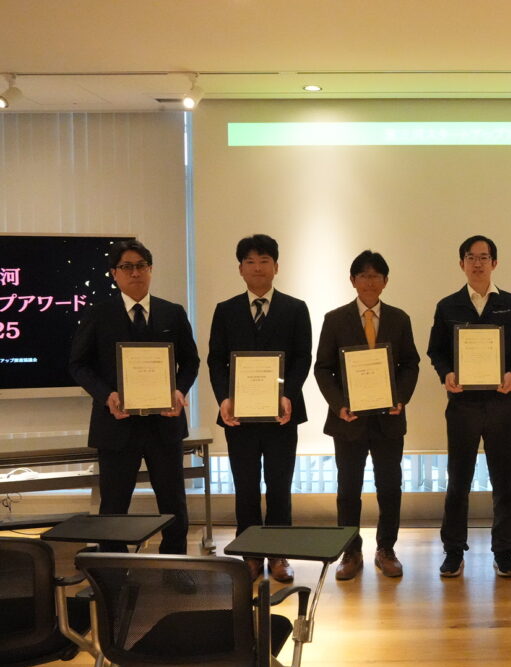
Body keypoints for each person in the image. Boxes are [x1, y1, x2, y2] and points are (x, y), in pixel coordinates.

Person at [68, 240, 199, 569]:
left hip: (164, 423)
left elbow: (191, 361)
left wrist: (179, 391)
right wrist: (107, 395)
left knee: (173, 502)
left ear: (151, 270)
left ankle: (175, 567)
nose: (135, 273)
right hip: (116, 424)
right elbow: (79, 364)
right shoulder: (98, 314)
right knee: (114, 505)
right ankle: (115, 569)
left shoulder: (172, 312)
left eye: (141, 265)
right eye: (126, 267)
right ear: (114, 274)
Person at [427, 235, 511, 578]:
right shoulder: (448, 306)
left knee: (503, 480)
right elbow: (436, 350)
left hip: (501, 404)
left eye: (484, 257)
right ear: (461, 263)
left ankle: (503, 550)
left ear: (494, 263)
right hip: (462, 406)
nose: (478, 263)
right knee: (458, 480)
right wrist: (446, 373)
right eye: (471, 257)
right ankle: (453, 550)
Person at [207, 234, 312, 583]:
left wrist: (288, 394)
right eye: (250, 261)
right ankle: (250, 553)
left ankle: (279, 553)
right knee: (246, 486)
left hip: (282, 415)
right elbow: (216, 360)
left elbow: (303, 358)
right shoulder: (225, 310)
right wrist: (224, 398)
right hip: (240, 416)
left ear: (276, 267)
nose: (257, 268)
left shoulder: (295, 309)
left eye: (264, 261)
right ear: (240, 269)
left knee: (280, 485)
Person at [314, 251, 420, 580]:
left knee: (390, 487)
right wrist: (338, 405)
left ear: (385, 281)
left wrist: (400, 398)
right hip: (349, 420)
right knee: (348, 489)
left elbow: (411, 364)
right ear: (352, 280)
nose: (369, 282)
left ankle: (386, 549)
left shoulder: (399, 319)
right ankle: (351, 550)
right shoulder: (335, 319)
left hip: (389, 418)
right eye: (363, 275)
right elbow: (323, 368)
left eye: (376, 276)